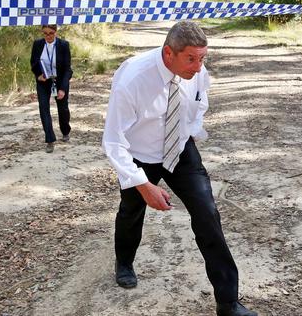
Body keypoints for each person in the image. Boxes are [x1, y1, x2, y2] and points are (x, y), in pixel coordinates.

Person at [102, 21, 257, 316]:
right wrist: (142, 183)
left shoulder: (196, 72)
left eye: (203, 58)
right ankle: (124, 262)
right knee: (131, 212)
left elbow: (200, 102)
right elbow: (113, 142)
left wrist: (190, 132)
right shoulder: (133, 80)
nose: (198, 67)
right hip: (140, 154)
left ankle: (228, 302)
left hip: (180, 149)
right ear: (168, 53)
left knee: (207, 214)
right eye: (191, 58)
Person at [30, 24, 72, 153]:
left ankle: (65, 130)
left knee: (63, 108)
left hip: (59, 81)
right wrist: (38, 76)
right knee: (43, 108)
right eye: (45, 33)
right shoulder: (37, 44)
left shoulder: (63, 45)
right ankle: (49, 139)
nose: (48, 36)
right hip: (44, 81)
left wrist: (63, 89)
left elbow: (67, 69)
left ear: (56, 32)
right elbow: (33, 63)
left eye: (51, 33)